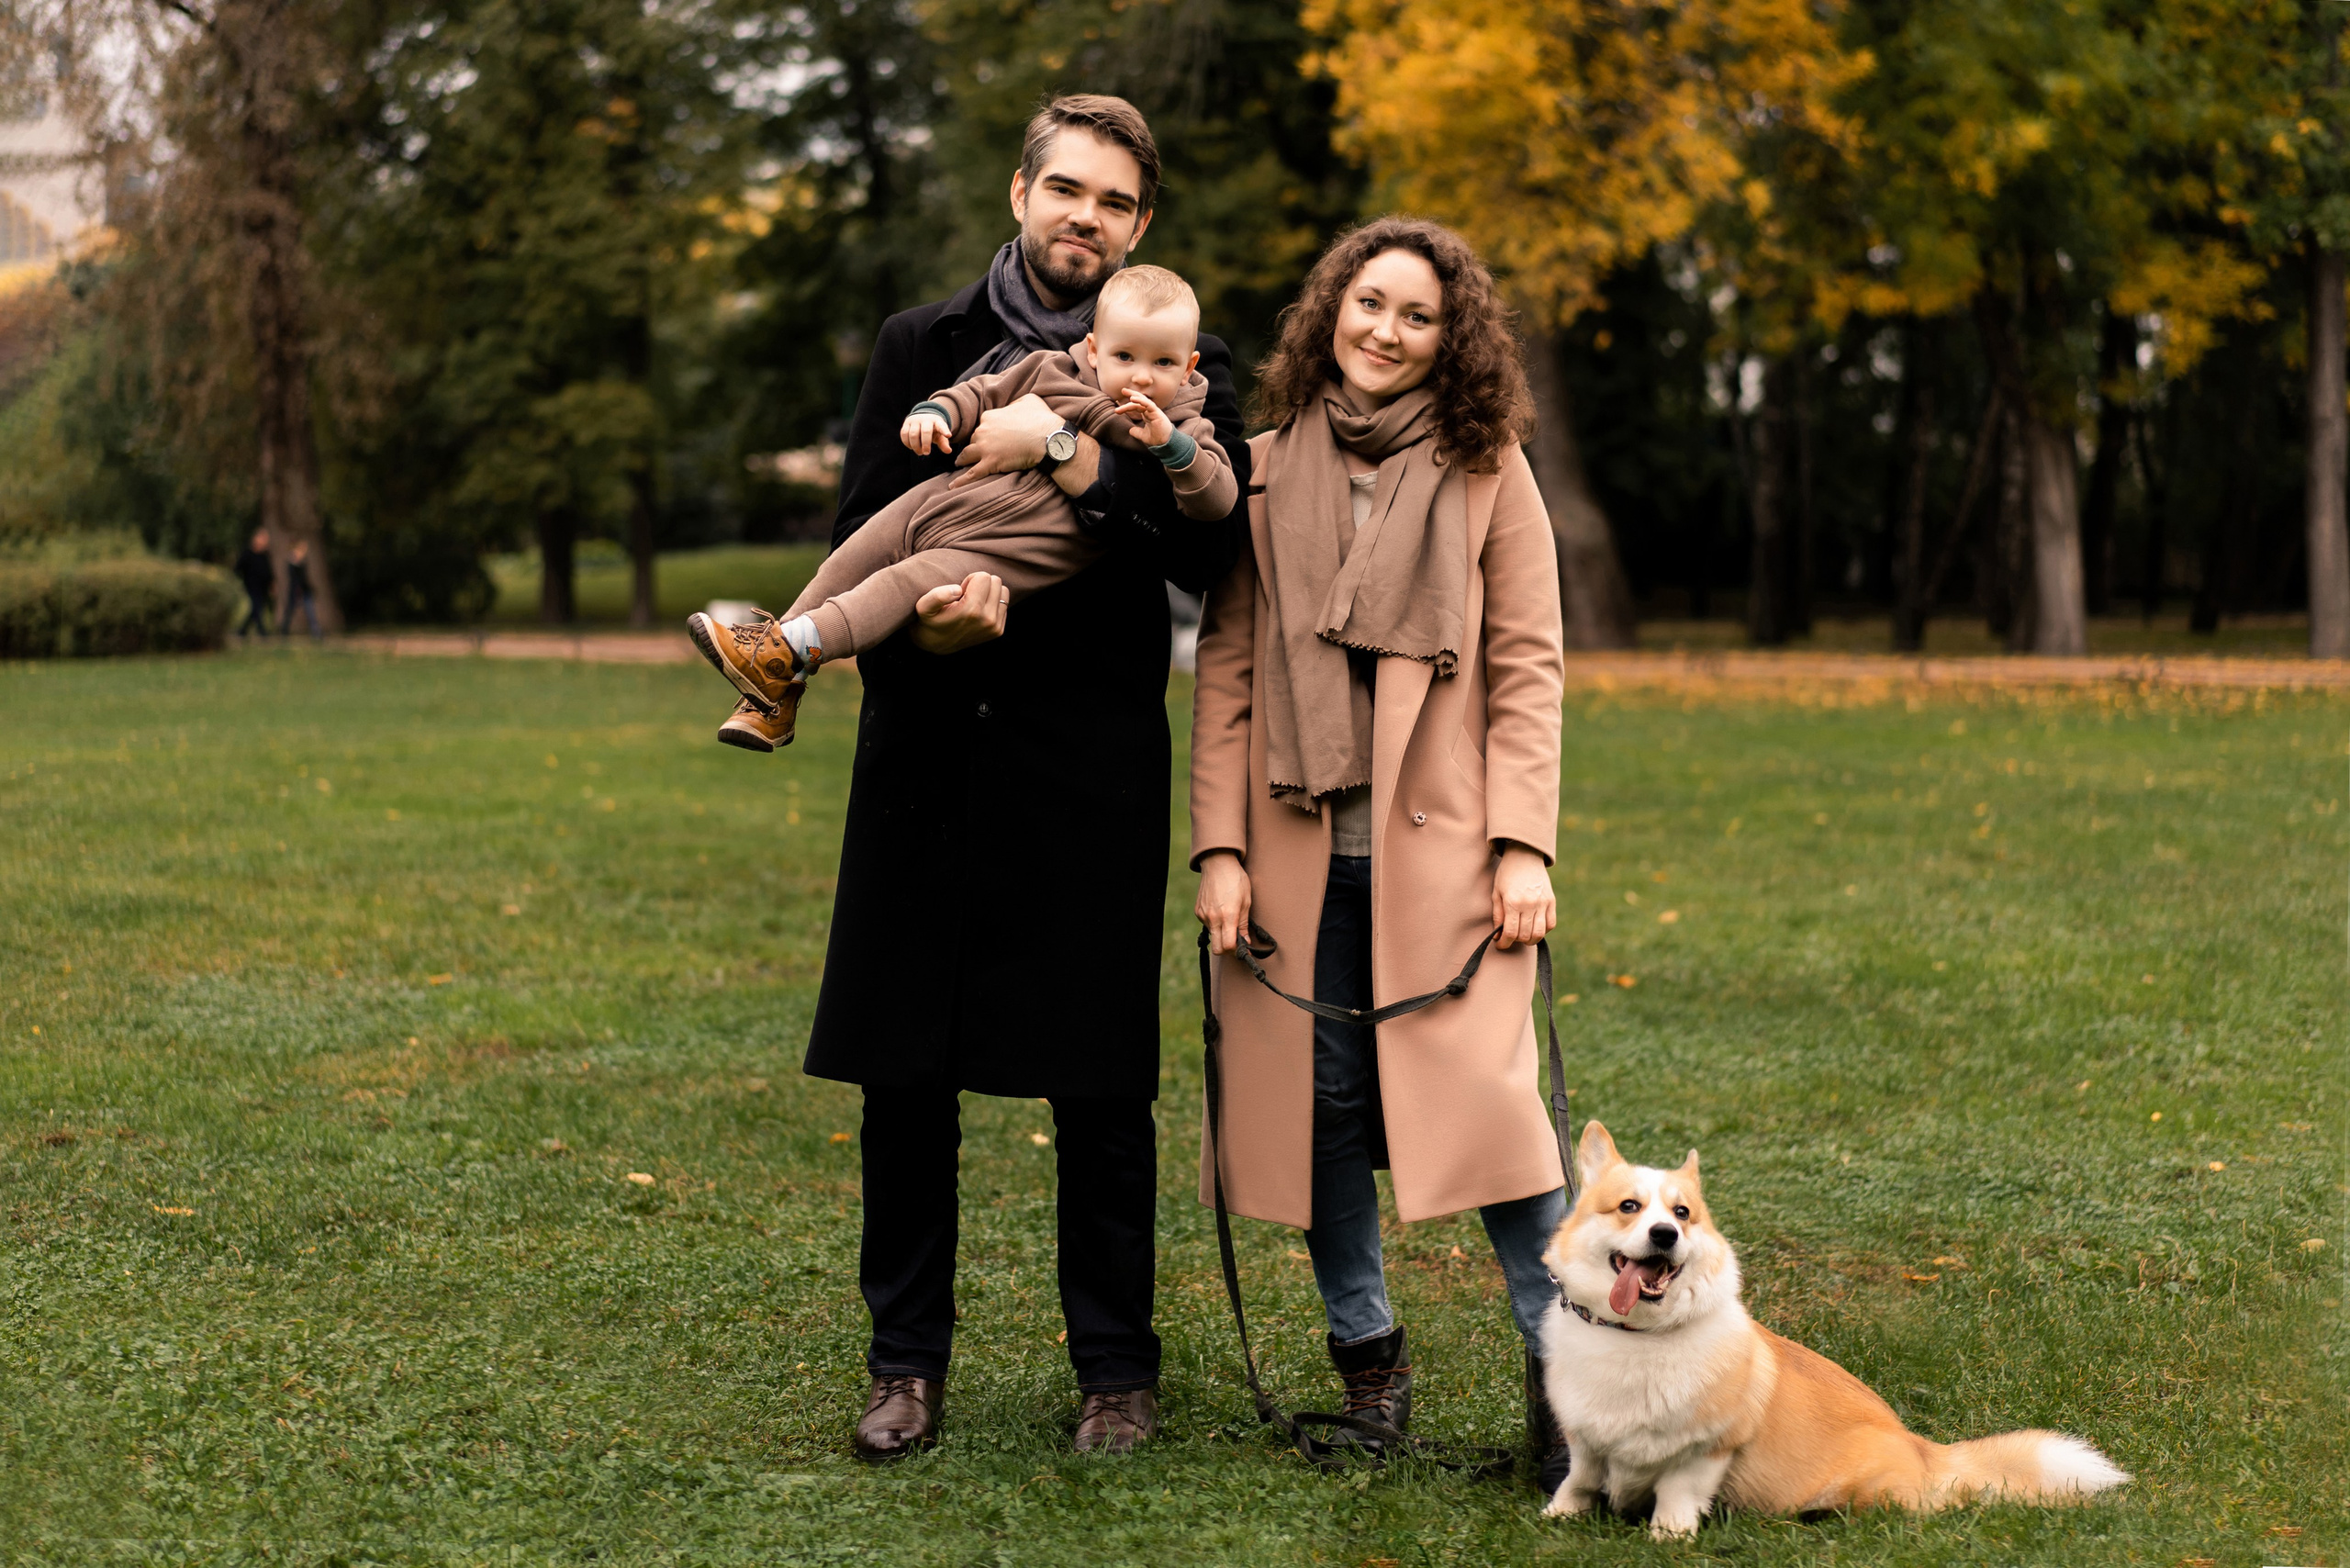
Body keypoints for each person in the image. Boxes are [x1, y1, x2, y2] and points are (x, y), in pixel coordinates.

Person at [800, 95, 1249, 1462]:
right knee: (904, 1075)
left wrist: (1062, 447)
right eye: (1066, 189)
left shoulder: (1185, 360)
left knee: (1100, 1087)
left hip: (1087, 760)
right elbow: (874, 523)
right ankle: (904, 1365)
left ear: (1140, 225)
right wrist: (924, 634)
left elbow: (1206, 551)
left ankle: (1116, 1373)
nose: (1084, 218)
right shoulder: (922, 345)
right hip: (930, 744)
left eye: (1113, 203)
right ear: (1019, 192)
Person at [1188, 218, 1572, 1489]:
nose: (1387, 332)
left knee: (1501, 1125)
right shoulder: (1259, 471)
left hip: (1450, 862)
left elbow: (1527, 669)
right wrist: (1219, 850)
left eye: (1418, 315)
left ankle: (1569, 1392)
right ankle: (1370, 1370)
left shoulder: (1489, 470)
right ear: (1330, 312)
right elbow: (1228, 673)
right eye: (1369, 304)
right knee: (1323, 1118)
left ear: (1451, 339)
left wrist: (1523, 846)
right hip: (1293, 858)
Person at [688, 264, 1235, 752]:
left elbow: (1217, 501)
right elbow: (983, 391)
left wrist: (1171, 446)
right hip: (948, 498)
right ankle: (774, 684)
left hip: (1004, 552)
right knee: (853, 555)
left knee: (904, 579)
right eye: (1124, 357)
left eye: (1163, 362)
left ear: (1190, 366)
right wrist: (937, 411)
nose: (1142, 377)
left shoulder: (1185, 424)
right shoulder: (1050, 370)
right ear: (1093, 350)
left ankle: (790, 647)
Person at [232, 529, 274, 638]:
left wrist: (272, 584)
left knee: (256, 609)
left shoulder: (265, 555)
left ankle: (242, 631)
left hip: (263, 587)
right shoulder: (248, 554)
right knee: (256, 607)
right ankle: (262, 631)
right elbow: (237, 568)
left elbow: (269, 572)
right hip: (251, 585)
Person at [279, 539, 321, 640]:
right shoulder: (292, 563)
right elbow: (295, 579)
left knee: (310, 612)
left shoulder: (303, 562)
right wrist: (298, 589)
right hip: (295, 591)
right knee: (290, 611)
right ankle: (284, 630)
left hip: (305, 590)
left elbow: (304, 579)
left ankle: (316, 633)